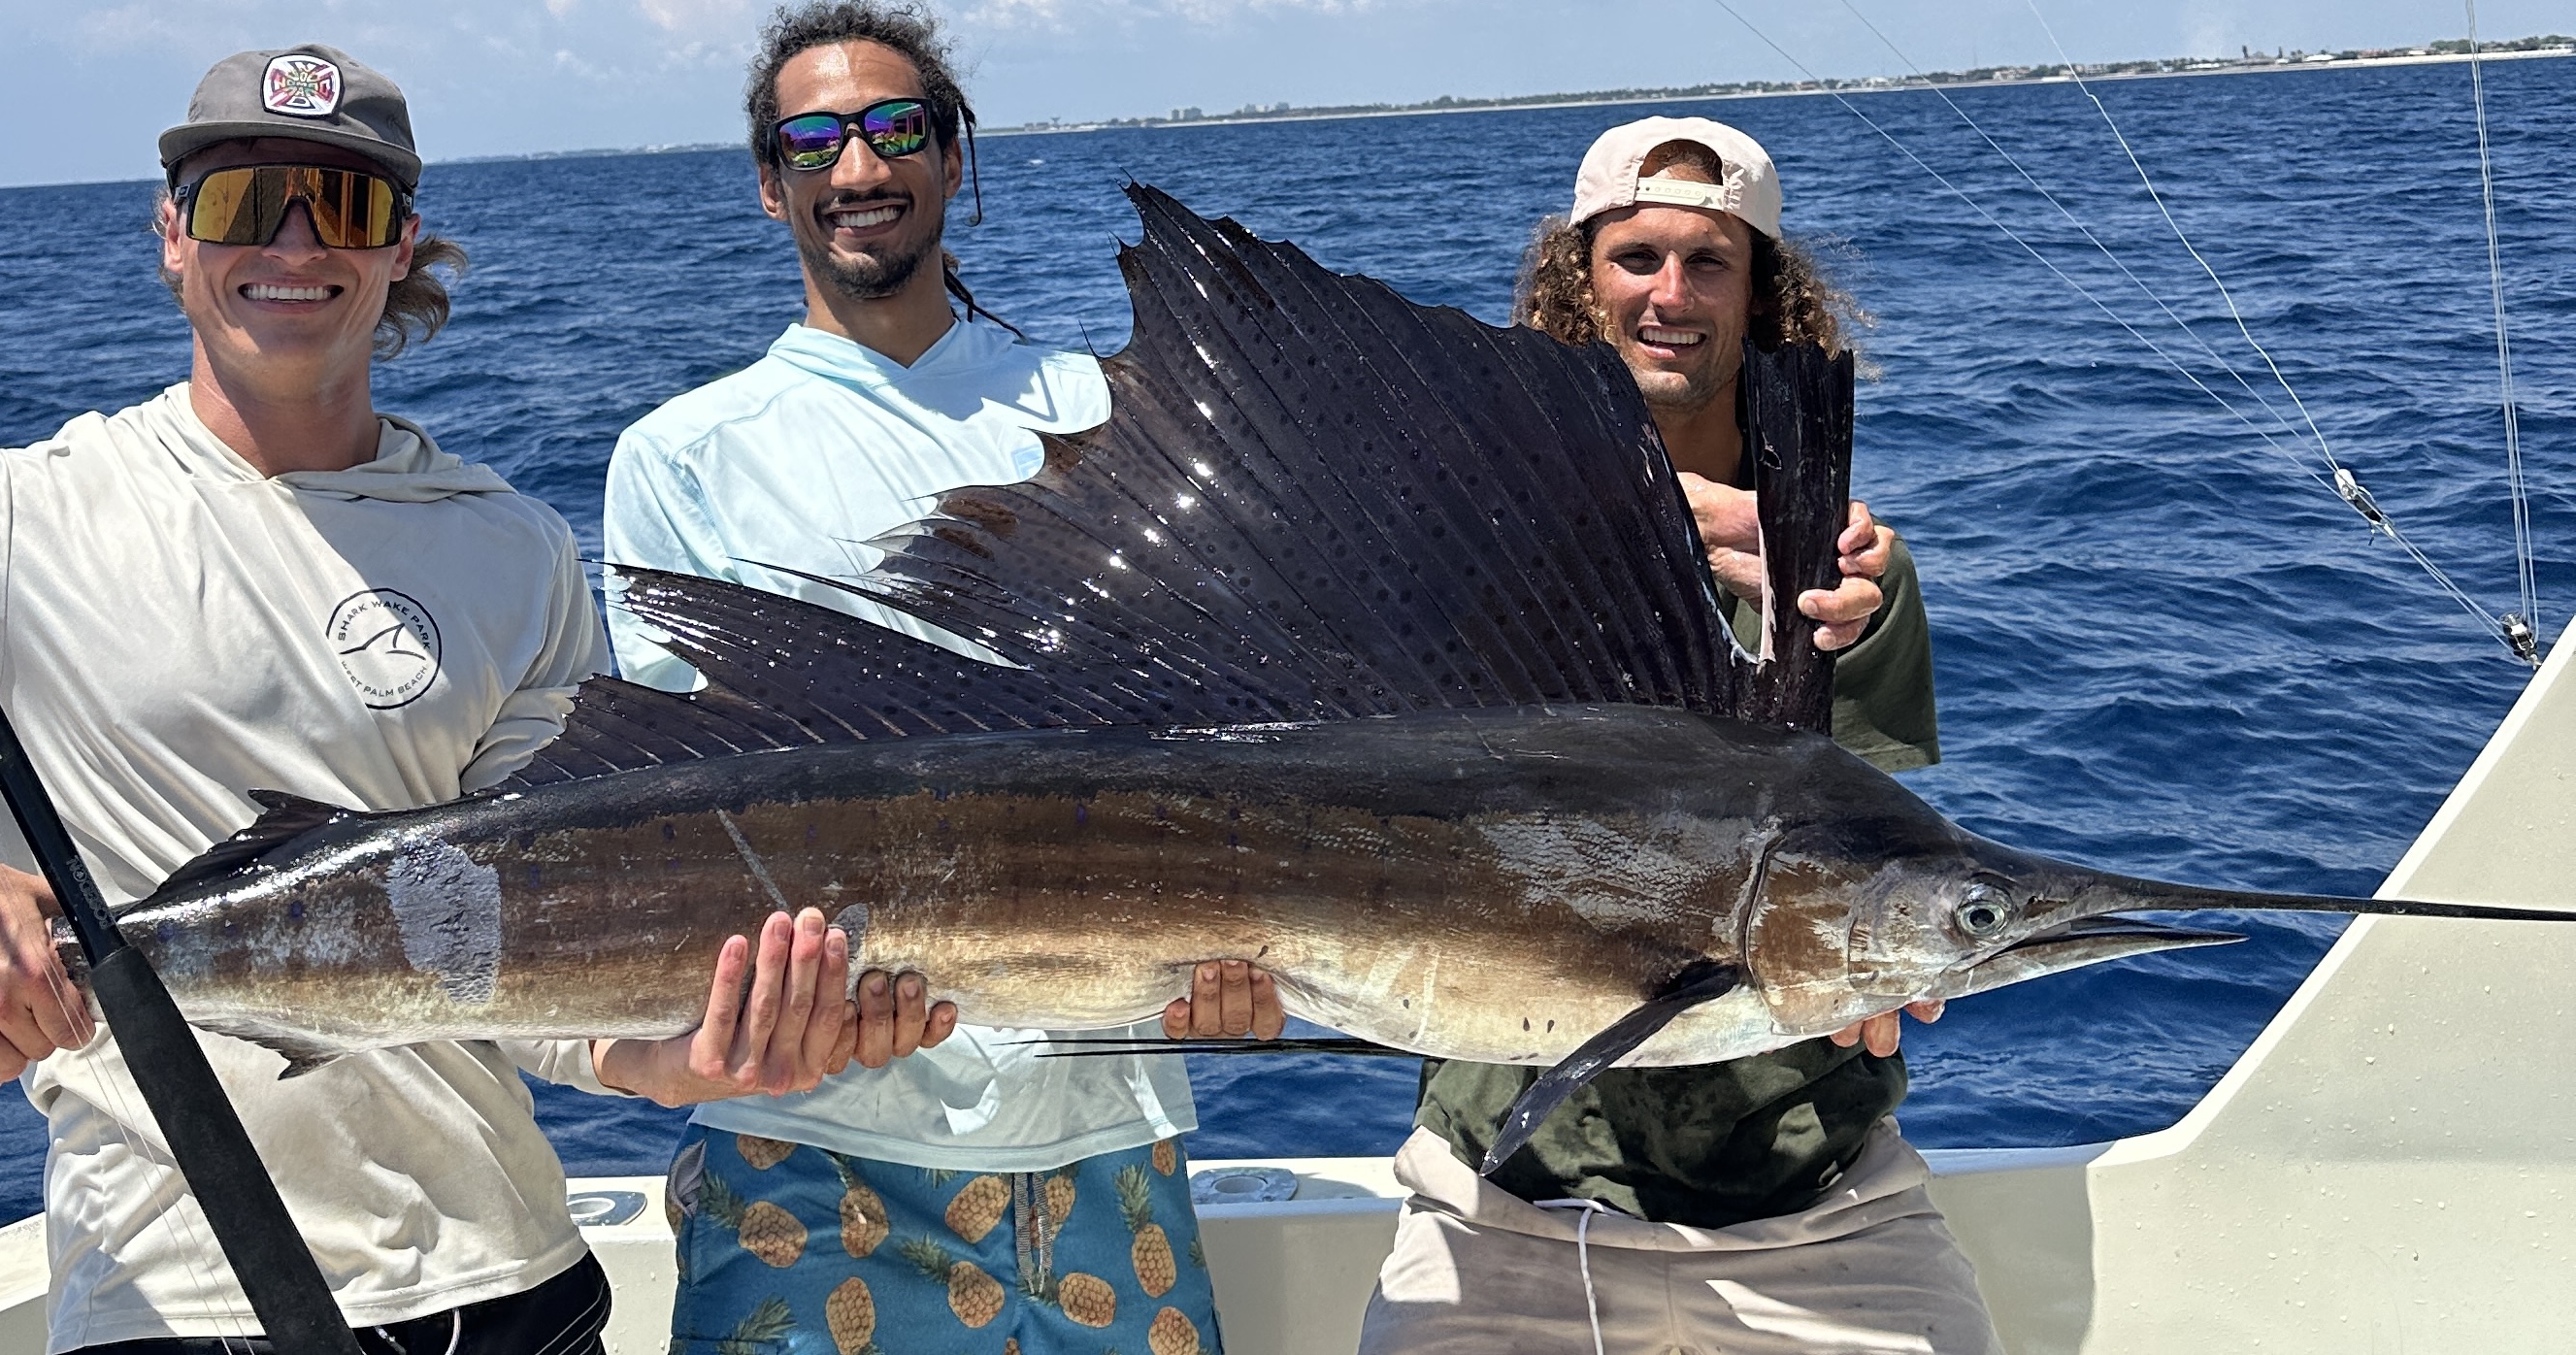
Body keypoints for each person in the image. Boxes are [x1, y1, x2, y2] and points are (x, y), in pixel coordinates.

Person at [0, 45, 889, 1355]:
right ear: (173, 237)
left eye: (342, 207)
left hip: (523, 1281)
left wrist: (679, 1062)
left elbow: (545, 972)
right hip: (181, 1306)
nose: (294, 243)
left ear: (399, 247)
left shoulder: (512, 548)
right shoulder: (5, 525)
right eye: (245, 202)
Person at [599, 6, 1267, 1353]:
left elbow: (1229, 753)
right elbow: (694, 834)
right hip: (810, 1141)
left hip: (1103, 1129)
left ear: (955, 162)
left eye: (897, 129)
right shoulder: (681, 456)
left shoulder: (1104, 416)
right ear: (770, 178)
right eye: (816, 138)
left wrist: (1255, 969)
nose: (860, 168)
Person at [1362, 116, 2000, 1354]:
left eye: (1710, 262)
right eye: (1636, 256)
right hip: (1501, 1192)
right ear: (1578, 279)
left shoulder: (1852, 568)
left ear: (1762, 293)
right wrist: (1620, 510)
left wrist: (1837, 640)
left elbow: (1868, 872)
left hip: (1814, 1201)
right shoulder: (1470, 546)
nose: (1671, 293)